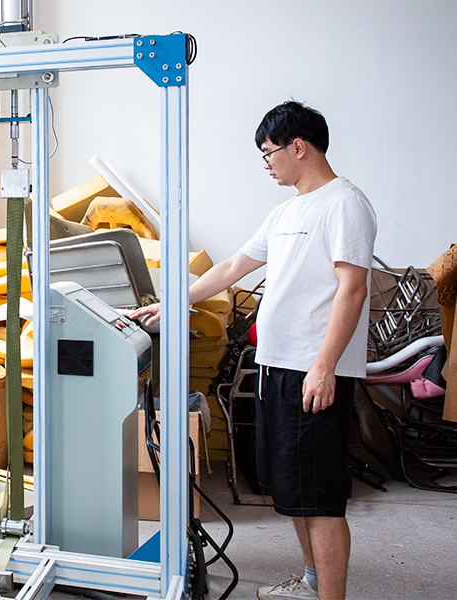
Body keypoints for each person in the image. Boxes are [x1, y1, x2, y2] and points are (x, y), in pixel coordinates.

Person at [130, 100, 376, 600]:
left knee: (321, 498)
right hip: (276, 369)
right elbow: (231, 268)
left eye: (268, 153)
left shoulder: (344, 203)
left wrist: (324, 365)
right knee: (295, 490)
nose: (266, 164)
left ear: (297, 147)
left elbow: (352, 289)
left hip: (311, 370)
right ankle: (311, 583)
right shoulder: (285, 212)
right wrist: (174, 304)